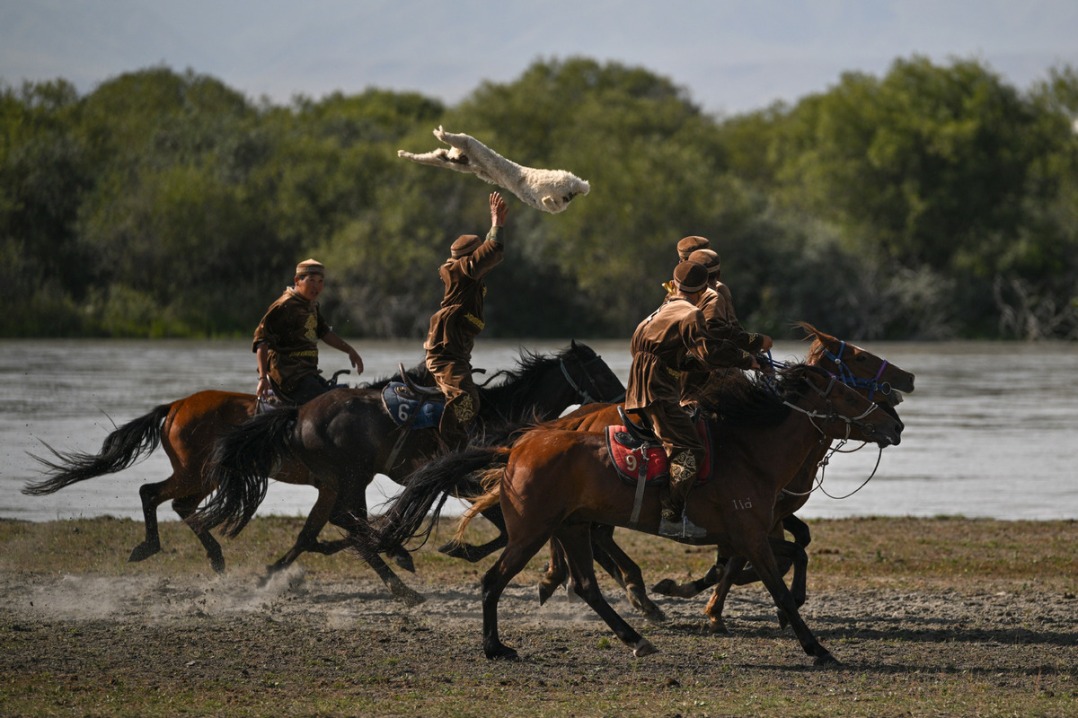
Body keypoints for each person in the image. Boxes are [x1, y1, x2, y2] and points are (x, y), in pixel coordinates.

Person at [625, 260, 762, 539]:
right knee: (690, 449)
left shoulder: (660, 311)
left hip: (637, 386)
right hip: (658, 391)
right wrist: (747, 359)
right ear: (703, 290)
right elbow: (709, 354)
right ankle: (671, 517)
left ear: (675, 284)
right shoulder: (691, 314)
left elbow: (673, 357)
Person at [424, 191, 508, 446]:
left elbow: (484, 258)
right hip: (446, 355)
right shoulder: (461, 271)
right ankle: (451, 447)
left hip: (456, 353)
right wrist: (496, 223)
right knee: (468, 400)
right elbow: (490, 253)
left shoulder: (466, 280)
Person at [253, 258, 364, 406]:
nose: (316, 287)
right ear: (297, 280)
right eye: (311, 281)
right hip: (289, 376)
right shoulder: (284, 305)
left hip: (307, 374)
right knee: (332, 406)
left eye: (320, 281)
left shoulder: (311, 305)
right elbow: (261, 341)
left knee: (344, 395)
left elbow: (324, 333)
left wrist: (350, 350)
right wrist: (262, 378)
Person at [682, 248, 773, 404]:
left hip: (677, 372)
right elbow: (720, 334)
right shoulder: (714, 296)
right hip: (702, 375)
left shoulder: (677, 293)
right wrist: (756, 343)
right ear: (718, 274)